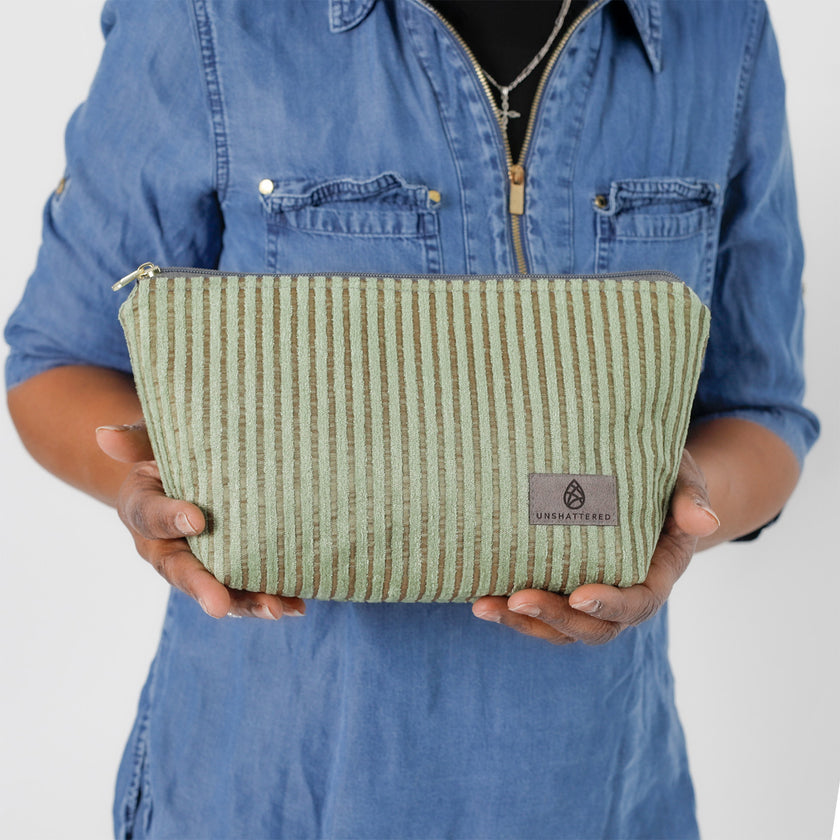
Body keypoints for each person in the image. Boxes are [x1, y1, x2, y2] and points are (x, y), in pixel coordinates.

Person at [4, 0, 818, 837]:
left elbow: (760, 409)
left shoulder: (721, 26)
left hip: (594, 792)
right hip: (266, 790)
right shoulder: (208, 15)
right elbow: (55, 362)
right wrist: (153, 492)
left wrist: (679, 512)